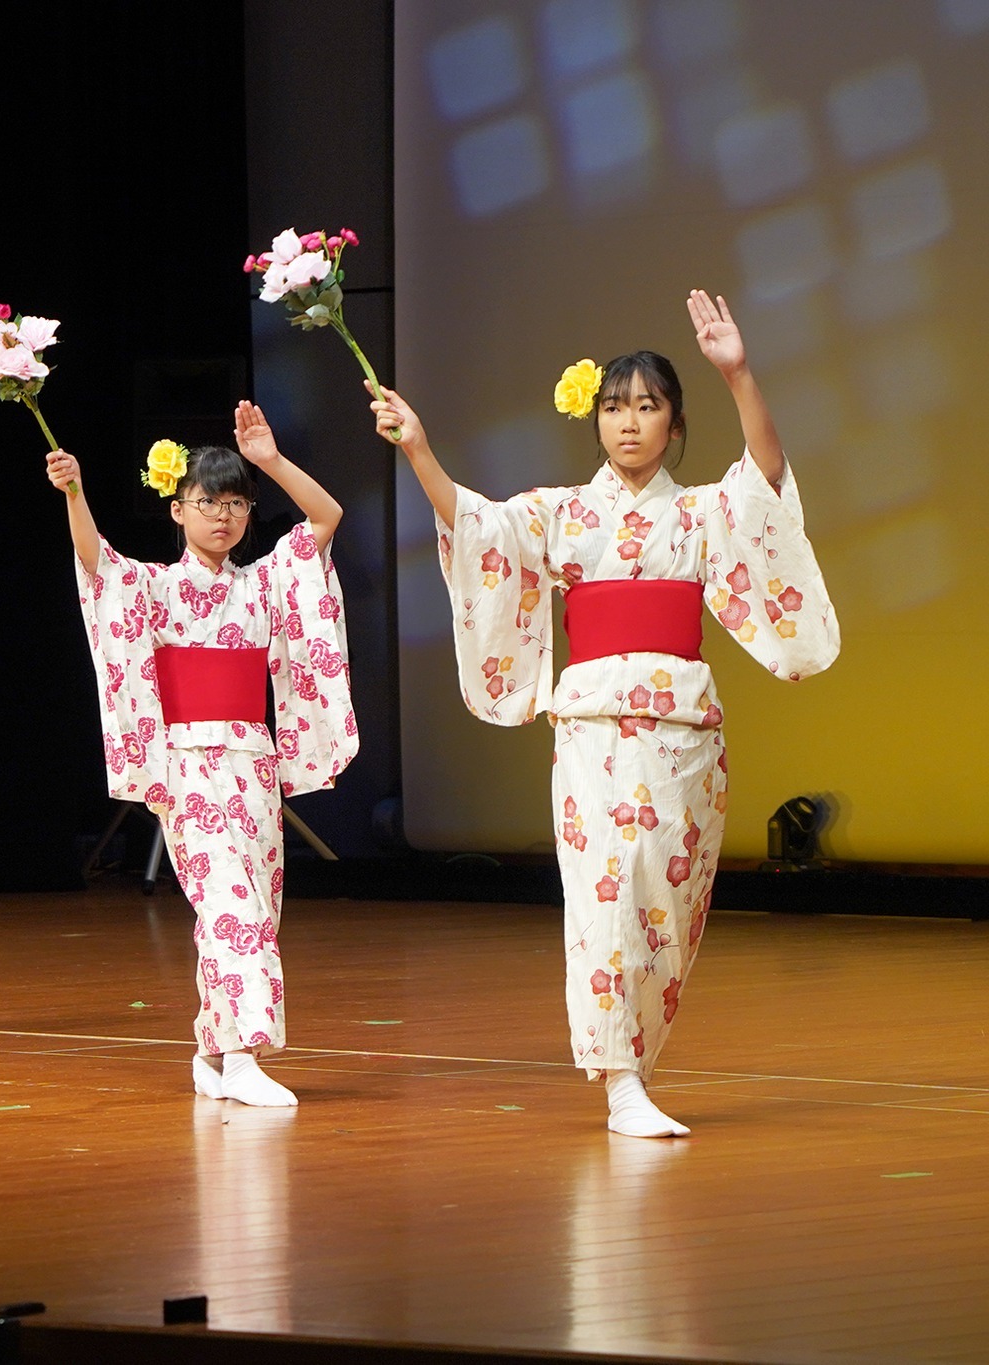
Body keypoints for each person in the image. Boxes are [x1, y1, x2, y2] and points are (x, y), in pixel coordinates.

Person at [372, 291, 839, 1137]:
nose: (629, 424)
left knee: (669, 901)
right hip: (593, 735)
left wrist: (738, 373)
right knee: (606, 894)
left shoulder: (699, 512)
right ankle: (620, 1079)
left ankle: (639, 1067)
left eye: (648, 407)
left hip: (683, 736)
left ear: (674, 421)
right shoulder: (562, 511)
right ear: (596, 420)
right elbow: (478, 530)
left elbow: (765, 483)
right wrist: (421, 450)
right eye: (615, 408)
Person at [50, 402, 359, 1107]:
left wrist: (272, 461)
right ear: (176, 510)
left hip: (252, 761)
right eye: (205, 501)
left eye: (235, 502)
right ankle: (246, 1057)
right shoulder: (155, 588)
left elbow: (325, 518)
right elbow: (97, 565)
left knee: (256, 906)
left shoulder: (264, 583)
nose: (222, 515)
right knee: (231, 907)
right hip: (190, 763)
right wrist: (75, 494)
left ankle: (212, 1052)